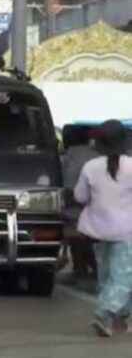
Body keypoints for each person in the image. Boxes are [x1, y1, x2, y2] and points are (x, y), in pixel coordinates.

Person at [74, 119, 132, 337]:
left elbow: (80, 196)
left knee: (106, 274)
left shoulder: (90, 167)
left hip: (99, 229)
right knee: (124, 276)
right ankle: (105, 313)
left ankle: (121, 318)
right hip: (127, 232)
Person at [61, 125, 99, 281]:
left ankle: (81, 270)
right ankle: (92, 270)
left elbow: (68, 192)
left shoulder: (65, 159)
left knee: (73, 232)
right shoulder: (99, 156)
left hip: (74, 210)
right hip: (100, 209)